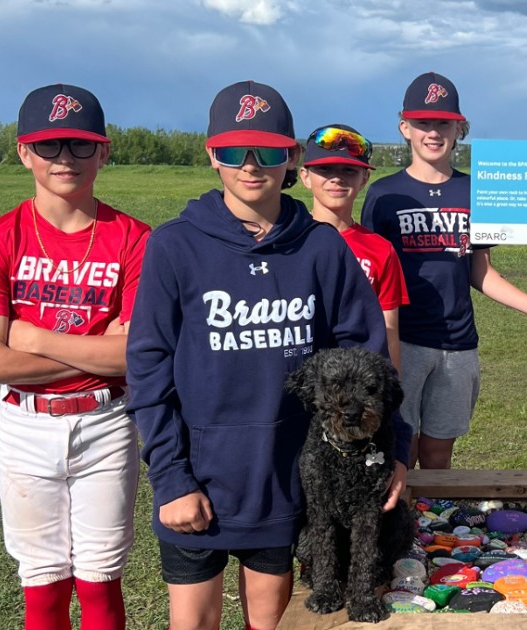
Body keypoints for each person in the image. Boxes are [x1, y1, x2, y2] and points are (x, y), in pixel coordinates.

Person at [127, 80, 412, 630]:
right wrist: (171, 477)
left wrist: (394, 448)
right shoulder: (174, 245)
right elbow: (148, 368)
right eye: (235, 151)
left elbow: (369, 358)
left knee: (273, 622)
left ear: (293, 158)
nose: (252, 166)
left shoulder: (322, 245)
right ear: (212, 154)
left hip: (289, 478)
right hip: (201, 479)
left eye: (269, 151)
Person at [0, 84, 149, 630]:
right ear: (24, 152)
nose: (65, 158)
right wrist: (103, 350)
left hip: (105, 420)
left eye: (81, 145)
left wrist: (36, 339)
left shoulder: (134, 237)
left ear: (104, 151)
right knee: (43, 584)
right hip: (24, 422)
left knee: (100, 581)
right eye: (49, 146)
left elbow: (136, 358)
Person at [362, 71, 527, 470]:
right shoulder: (384, 193)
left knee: (438, 453)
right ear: (405, 128)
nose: (433, 132)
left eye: (443, 123)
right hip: (405, 341)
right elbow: (372, 273)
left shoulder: (474, 191)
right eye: (423, 123)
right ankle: (402, 531)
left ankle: (434, 532)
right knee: (401, 449)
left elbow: (479, 270)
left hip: (458, 343)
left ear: (459, 128)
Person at [300, 123, 408, 369]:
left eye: (349, 170)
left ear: (364, 178)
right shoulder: (287, 240)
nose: (337, 178)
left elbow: (389, 329)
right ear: (305, 177)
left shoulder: (380, 249)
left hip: (356, 384)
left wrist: (393, 389)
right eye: (325, 169)